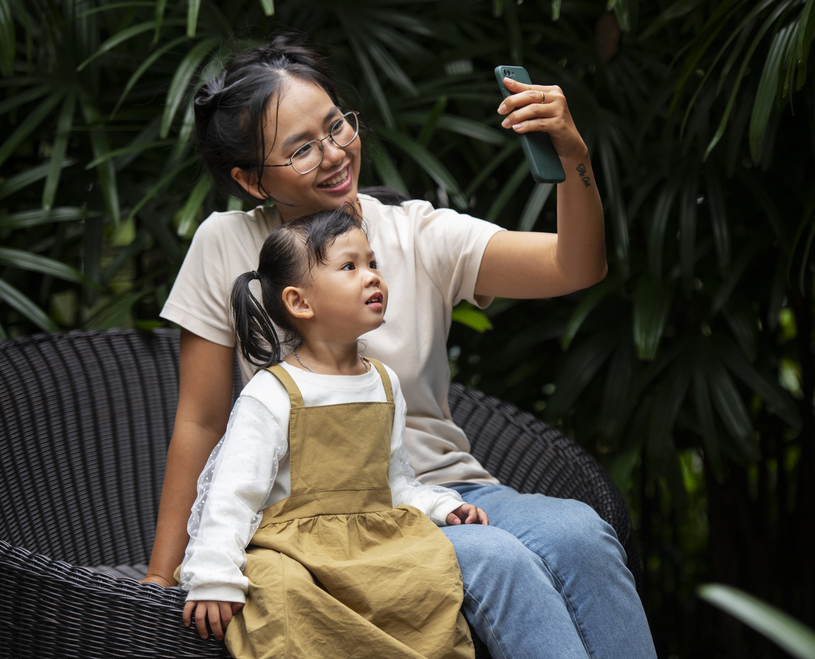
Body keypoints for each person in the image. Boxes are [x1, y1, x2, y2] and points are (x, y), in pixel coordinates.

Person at [148, 35, 657, 659]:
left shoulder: (417, 233)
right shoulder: (224, 245)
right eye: (302, 148)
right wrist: (161, 575)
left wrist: (572, 155)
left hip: (445, 491)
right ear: (252, 180)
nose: (335, 154)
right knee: (498, 561)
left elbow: (575, 266)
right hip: (321, 516)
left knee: (580, 531)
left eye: (337, 127)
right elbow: (200, 419)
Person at [179, 206, 483, 658]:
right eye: (349, 266)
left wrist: (441, 505)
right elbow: (232, 495)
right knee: (277, 590)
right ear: (300, 302)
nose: (372, 276)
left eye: (373, 262)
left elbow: (394, 481)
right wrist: (214, 575)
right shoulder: (274, 391)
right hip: (294, 546)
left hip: (374, 542)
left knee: (427, 574)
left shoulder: (384, 382)